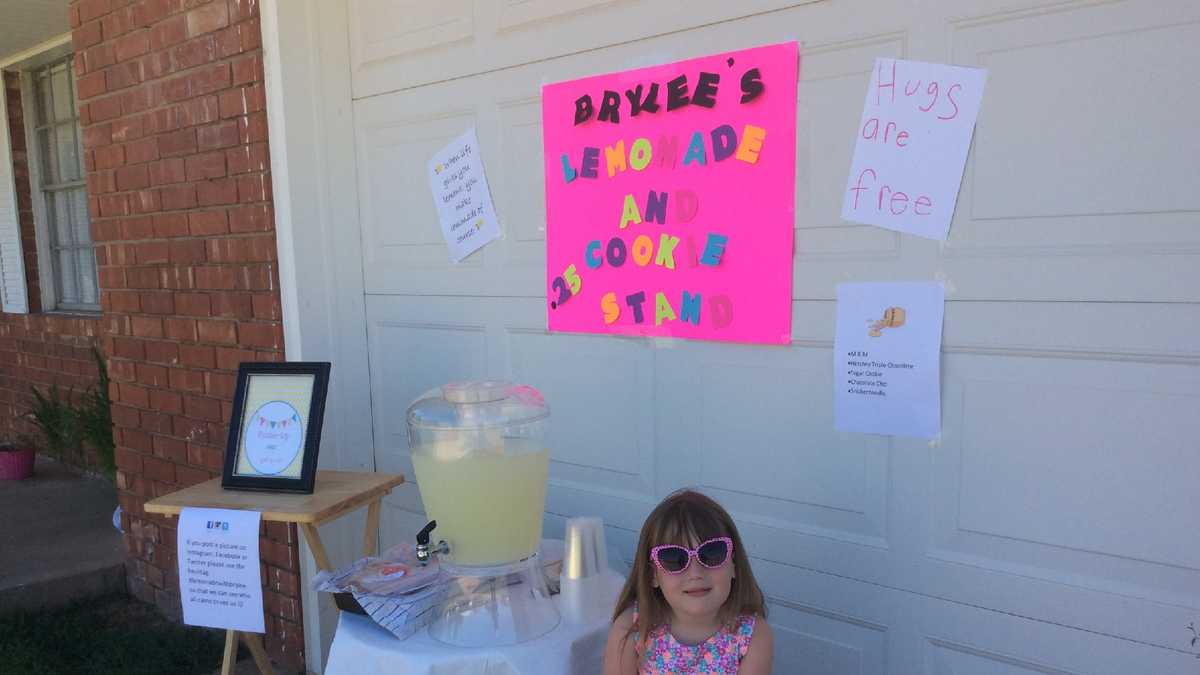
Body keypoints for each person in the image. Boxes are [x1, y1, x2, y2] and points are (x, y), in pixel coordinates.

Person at [601, 489, 774, 674]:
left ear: (733, 564)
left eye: (712, 553)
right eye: (674, 558)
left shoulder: (752, 635)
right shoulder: (631, 628)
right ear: (653, 574)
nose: (695, 573)